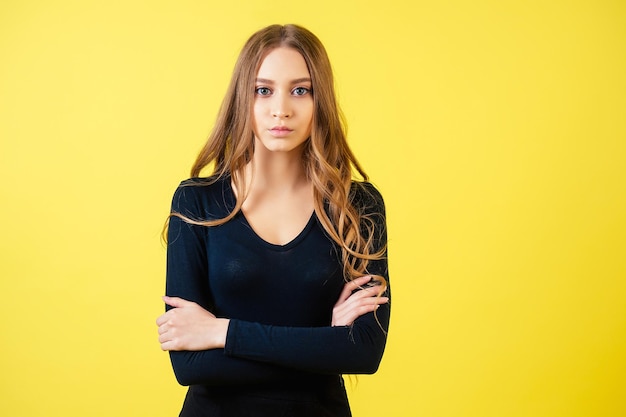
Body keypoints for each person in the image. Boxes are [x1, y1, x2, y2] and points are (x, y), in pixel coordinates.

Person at [156, 24, 391, 417]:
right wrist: (323, 344)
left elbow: (364, 353)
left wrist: (221, 332)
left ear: (321, 100)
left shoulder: (358, 207)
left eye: (301, 90)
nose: (281, 109)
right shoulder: (197, 202)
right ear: (242, 99)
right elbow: (190, 365)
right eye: (263, 90)